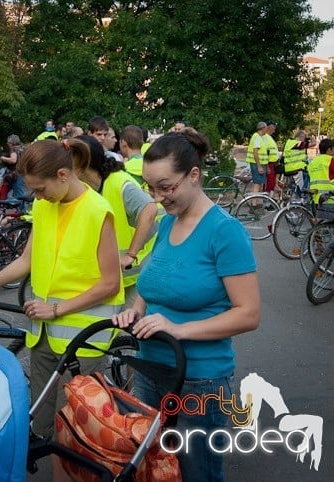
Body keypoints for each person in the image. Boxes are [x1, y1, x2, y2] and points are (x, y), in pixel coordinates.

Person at [0, 138, 123, 480]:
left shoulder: (97, 210)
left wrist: (57, 309)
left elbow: (110, 284)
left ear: (63, 174)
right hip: (45, 334)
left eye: (40, 189)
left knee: (73, 430)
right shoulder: (47, 206)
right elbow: (27, 261)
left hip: (84, 338)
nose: (36, 197)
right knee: (45, 425)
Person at [112, 130, 260, 482]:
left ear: (194, 175)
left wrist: (178, 329)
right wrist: (136, 310)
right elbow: (152, 286)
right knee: (155, 467)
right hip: (150, 369)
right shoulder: (166, 225)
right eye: (151, 188)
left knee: (198, 472)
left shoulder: (225, 232)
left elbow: (249, 313)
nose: (158, 198)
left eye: (166, 187)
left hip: (200, 379)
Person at [77, 135, 158, 305]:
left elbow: (149, 209)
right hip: (121, 271)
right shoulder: (89, 188)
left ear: (80, 164)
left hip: (142, 264)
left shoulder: (118, 182)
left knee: (131, 322)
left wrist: (130, 254)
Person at [306, 138, 334, 205]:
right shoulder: (331, 160)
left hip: (314, 198)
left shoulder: (313, 162)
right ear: (329, 150)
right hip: (329, 198)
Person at [0, 134, 23, 199]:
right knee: (20, 192)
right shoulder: (22, 149)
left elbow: (13, 160)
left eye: (8, 142)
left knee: (11, 191)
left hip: (14, 174)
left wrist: (3, 158)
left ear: (11, 143)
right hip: (22, 173)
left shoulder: (14, 150)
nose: (8, 144)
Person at [246, 121, 268, 198]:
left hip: (259, 164)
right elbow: (255, 152)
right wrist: (259, 166)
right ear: (262, 128)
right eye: (266, 128)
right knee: (257, 183)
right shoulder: (257, 137)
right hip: (257, 164)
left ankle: (254, 202)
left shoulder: (258, 137)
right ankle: (253, 203)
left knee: (258, 183)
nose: (267, 130)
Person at [262, 120, 279, 195]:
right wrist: (267, 166)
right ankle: (267, 202)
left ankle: (269, 201)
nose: (275, 129)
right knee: (269, 183)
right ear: (269, 127)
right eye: (273, 126)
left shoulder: (269, 137)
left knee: (272, 183)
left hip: (273, 164)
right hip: (269, 164)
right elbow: (265, 152)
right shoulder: (265, 137)